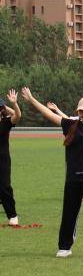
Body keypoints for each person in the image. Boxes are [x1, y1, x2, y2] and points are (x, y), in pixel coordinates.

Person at [21, 77, 83, 258]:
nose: (82, 114)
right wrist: (32, 100)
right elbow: (48, 114)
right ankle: (65, 246)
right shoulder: (70, 125)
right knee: (70, 210)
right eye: (80, 111)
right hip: (74, 176)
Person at [0, 90, 22, 226]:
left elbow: (17, 115)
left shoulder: (6, 122)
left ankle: (12, 216)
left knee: (4, 187)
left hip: (2, 161)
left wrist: (12, 104)